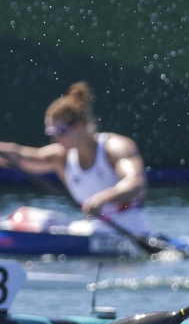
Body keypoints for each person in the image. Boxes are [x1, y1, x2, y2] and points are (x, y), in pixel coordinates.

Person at [0, 81, 151, 233]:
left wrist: (103, 198)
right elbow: (17, 155)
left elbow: (136, 183)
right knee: (23, 217)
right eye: (51, 133)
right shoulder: (61, 156)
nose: (55, 140)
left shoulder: (114, 147)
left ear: (80, 124)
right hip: (93, 227)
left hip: (129, 229)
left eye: (59, 132)